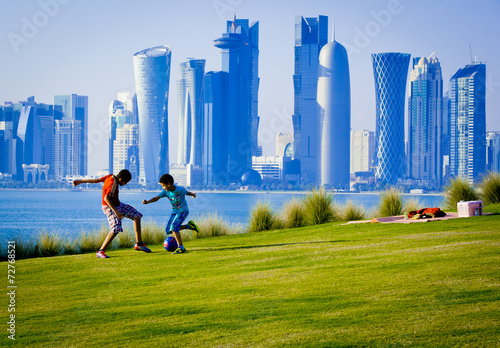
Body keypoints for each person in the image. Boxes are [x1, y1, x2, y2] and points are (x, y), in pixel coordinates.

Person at [73, 169, 151, 258]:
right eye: (126, 182)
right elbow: (106, 198)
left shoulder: (110, 176)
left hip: (118, 204)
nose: (125, 184)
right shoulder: (113, 184)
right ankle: (100, 251)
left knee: (137, 216)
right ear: (121, 179)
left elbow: (96, 180)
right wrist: (116, 212)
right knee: (116, 228)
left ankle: (139, 244)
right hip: (109, 207)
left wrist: (80, 181)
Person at [142, 173, 199, 254]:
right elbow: (156, 198)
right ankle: (189, 226)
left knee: (174, 227)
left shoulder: (180, 189)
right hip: (174, 212)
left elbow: (188, 193)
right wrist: (147, 202)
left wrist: (194, 194)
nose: (162, 188)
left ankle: (181, 248)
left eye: (163, 185)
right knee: (169, 231)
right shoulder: (165, 192)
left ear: (168, 184)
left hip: (183, 211)